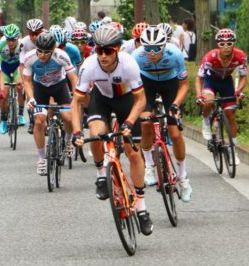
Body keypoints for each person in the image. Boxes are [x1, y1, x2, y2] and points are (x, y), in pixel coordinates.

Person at [70, 25, 153, 236]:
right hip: (102, 100)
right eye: (99, 50)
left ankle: (142, 209)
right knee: (96, 135)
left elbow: (141, 99)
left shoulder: (129, 64)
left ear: (117, 49)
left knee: (133, 153)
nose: (103, 55)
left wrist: (130, 122)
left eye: (108, 51)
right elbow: (76, 101)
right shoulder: (89, 66)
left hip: (126, 101)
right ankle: (100, 174)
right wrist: (77, 132)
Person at [133, 26, 192, 202]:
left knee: (174, 134)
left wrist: (175, 104)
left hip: (170, 85)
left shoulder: (174, 54)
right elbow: (133, 87)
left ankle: (183, 178)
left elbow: (184, 85)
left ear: (164, 46)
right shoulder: (136, 57)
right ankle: (150, 166)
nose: (152, 53)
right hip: (147, 84)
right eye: (148, 48)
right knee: (145, 122)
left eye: (157, 48)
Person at [23, 32, 77, 175]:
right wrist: (31, 98)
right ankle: (41, 158)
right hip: (40, 88)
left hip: (60, 86)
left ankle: (68, 140)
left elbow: (73, 78)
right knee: (39, 121)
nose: (42, 55)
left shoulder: (61, 56)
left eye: (46, 52)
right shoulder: (29, 57)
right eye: (39, 51)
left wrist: (77, 96)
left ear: (53, 50)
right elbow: (27, 81)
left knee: (68, 117)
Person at [196, 28, 246, 165]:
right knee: (209, 101)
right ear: (217, 44)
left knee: (230, 115)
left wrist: (239, 90)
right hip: (210, 81)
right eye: (222, 43)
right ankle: (206, 121)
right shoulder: (210, 57)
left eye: (229, 43)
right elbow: (199, 78)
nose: (225, 47)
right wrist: (199, 95)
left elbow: (243, 77)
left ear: (234, 44)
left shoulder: (240, 56)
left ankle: (232, 150)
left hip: (226, 83)